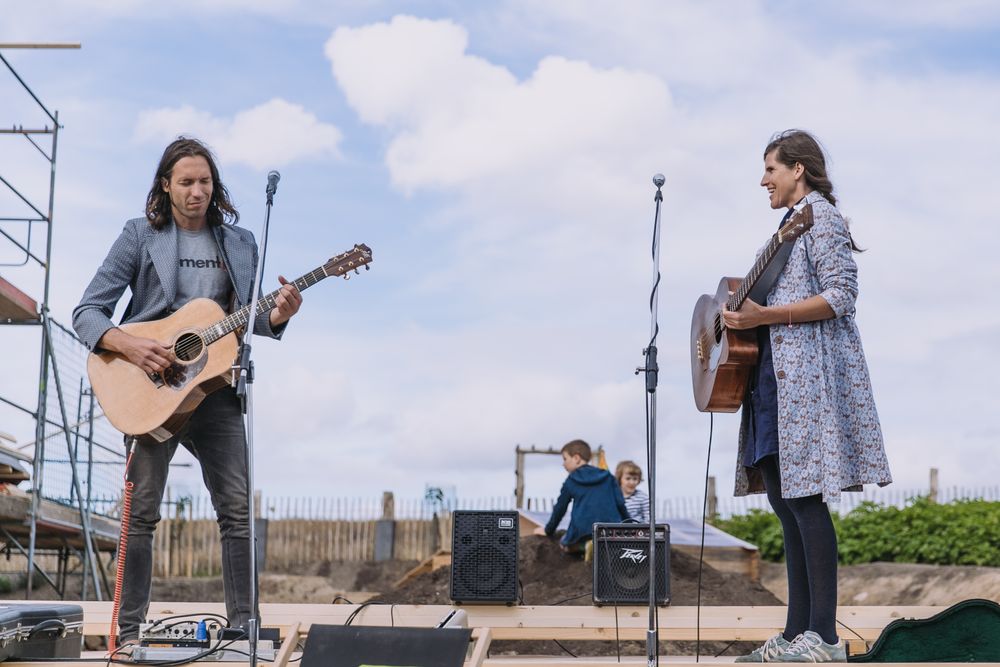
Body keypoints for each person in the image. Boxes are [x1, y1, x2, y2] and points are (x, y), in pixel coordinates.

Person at [72, 137, 302, 643]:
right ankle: (127, 635)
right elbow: (87, 312)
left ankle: (243, 629)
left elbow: (241, 319)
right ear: (166, 186)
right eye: (186, 182)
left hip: (216, 390)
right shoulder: (139, 235)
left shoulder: (240, 243)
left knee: (237, 511)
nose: (198, 191)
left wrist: (277, 316)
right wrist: (131, 346)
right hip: (149, 388)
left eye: (205, 182)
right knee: (142, 512)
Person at [724, 130, 891, 663]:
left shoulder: (821, 220)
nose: (763, 179)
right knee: (782, 502)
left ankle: (824, 639)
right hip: (771, 381)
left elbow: (843, 296)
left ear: (798, 169)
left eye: (770, 168)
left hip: (807, 383)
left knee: (805, 501)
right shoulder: (781, 230)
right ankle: (797, 635)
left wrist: (763, 316)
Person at [543, 439, 628, 554]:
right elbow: (620, 504)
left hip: (584, 531)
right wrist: (629, 527)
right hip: (610, 529)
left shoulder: (571, 480)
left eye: (565, 459)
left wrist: (548, 531)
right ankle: (604, 546)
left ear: (576, 458)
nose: (563, 464)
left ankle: (585, 546)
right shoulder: (608, 476)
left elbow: (560, 508)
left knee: (564, 543)